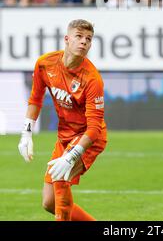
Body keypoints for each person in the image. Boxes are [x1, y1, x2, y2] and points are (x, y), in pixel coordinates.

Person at [18, 19, 107, 221]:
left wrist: (72, 156)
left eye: (89, 39)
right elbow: (35, 99)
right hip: (65, 137)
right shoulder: (45, 64)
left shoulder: (92, 79)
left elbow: (94, 128)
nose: (84, 42)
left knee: (60, 180)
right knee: (49, 203)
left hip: (88, 138)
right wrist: (26, 133)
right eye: (79, 36)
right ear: (67, 39)